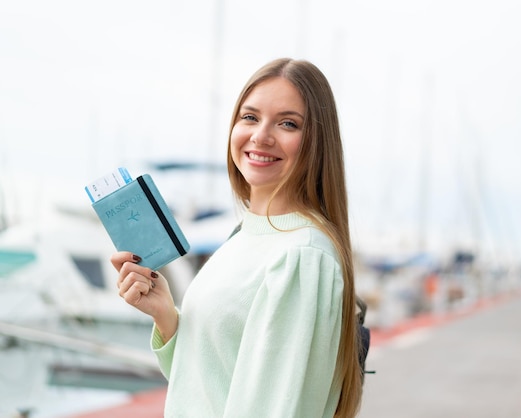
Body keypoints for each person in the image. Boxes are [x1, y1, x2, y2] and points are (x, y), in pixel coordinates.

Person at [111, 57, 363, 417]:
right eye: (250, 117)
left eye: (288, 123)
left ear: (317, 144)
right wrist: (166, 316)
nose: (261, 135)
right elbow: (208, 388)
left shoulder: (302, 256)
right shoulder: (244, 235)